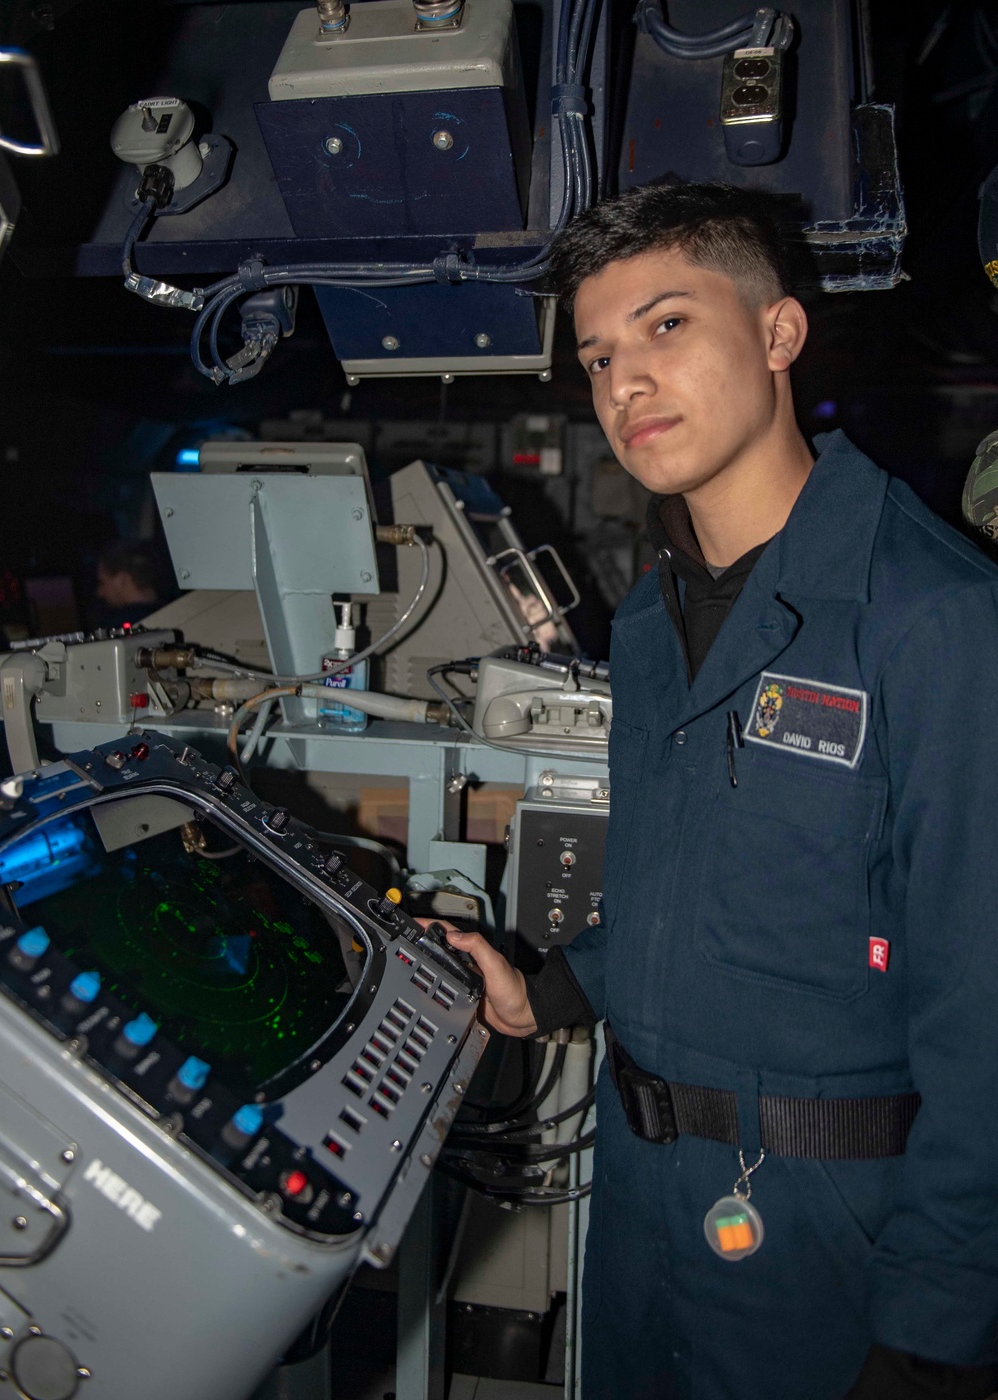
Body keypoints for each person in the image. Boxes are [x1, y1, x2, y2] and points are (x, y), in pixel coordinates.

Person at [441, 184, 998, 1400]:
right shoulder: (647, 621)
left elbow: (986, 1005)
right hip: (640, 1213)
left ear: (778, 334)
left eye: (665, 326)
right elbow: (679, 882)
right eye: (596, 354)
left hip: (830, 1242)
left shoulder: (934, 614)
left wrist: (933, 1337)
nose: (623, 381)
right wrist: (547, 992)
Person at [92, 542, 160, 630]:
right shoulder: (175, 611)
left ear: (122, 579)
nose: (100, 592)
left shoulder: (116, 628)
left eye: (102, 583)